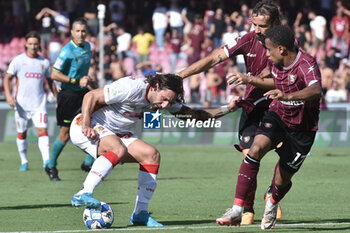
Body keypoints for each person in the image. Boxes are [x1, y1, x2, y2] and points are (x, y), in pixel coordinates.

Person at [69, 73, 239, 227]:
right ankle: (84, 193)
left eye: (169, 102)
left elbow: (194, 117)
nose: (165, 105)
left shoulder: (161, 100)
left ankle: (140, 214)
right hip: (86, 125)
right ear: (156, 86)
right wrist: (85, 125)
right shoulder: (132, 86)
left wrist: (226, 109)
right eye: (164, 99)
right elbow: (90, 96)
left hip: (118, 134)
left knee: (151, 155)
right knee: (117, 148)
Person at [176, 0, 282, 225]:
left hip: (278, 104)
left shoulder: (287, 43)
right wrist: (180, 75)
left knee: (284, 156)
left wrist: (247, 79)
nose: (257, 30)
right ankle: (248, 210)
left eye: (262, 26)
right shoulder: (248, 39)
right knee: (249, 156)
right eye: (254, 24)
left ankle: (273, 194)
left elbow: (279, 80)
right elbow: (214, 58)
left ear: (274, 23)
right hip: (253, 105)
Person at [226, 25, 322, 229]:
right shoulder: (275, 64)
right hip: (277, 115)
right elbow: (274, 80)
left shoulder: (306, 63)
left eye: (269, 50)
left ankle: (271, 202)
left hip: (303, 128)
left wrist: (288, 96)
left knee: (282, 179)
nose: (267, 54)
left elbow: (315, 89)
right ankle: (237, 209)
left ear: (281, 49)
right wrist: (248, 79)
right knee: (255, 149)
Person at [45, 18, 98, 181]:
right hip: (68, 95)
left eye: (83, 31)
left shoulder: (88, 47)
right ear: (72, 32)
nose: (81, 34)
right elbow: (54, 74)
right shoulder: (67, 50)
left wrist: (90, 82)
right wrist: (75, 81)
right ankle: (51, 165)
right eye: (77, 31)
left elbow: (86, 68)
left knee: (93, 124)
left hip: (82, 93)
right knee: (65, 133)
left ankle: (88, 162)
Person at [3, 31, 57, 171]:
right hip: (21, 105)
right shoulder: (18, 61)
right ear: (26, 45)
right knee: (22, 133)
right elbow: (7, 78)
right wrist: (9, 96)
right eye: (30, 44)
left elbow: (50, 81)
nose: (33, 46)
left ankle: (46, 162)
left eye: (35, 44)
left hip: (39, 104)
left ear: (39, 45)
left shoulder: (44, 62)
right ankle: (24, 161)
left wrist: (57, 97)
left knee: (43, 131)